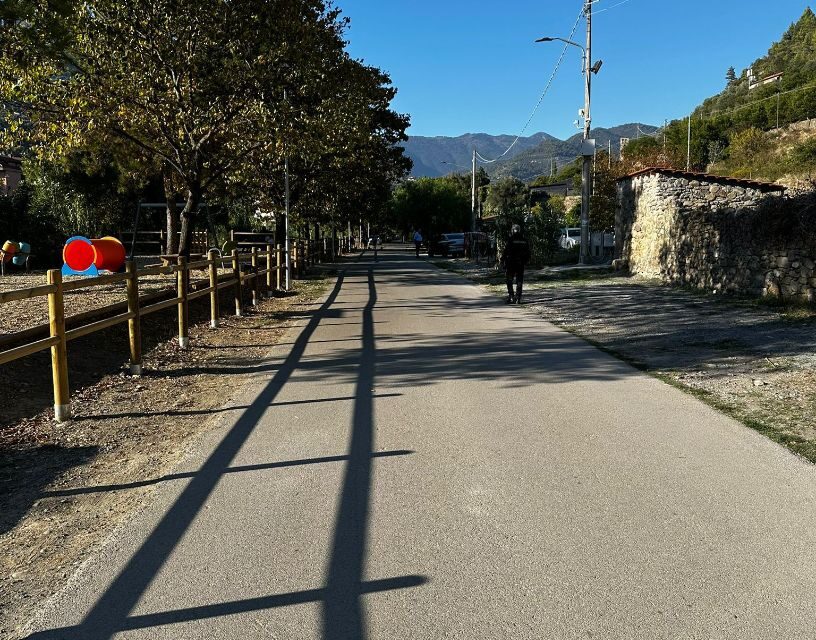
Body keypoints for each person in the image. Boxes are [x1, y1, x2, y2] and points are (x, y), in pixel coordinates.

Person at [501, 224, 530, 304]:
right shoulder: (524, 240)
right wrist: (526, 261)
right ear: (519, 230)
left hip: (511, 263)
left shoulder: (511, 239)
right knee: (519, 280)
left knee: (509, 280)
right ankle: (518, 298)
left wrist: (502, 260)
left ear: (513, 230)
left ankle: (511, 296)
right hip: (520, 264)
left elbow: (506, 251)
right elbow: (528, 252)